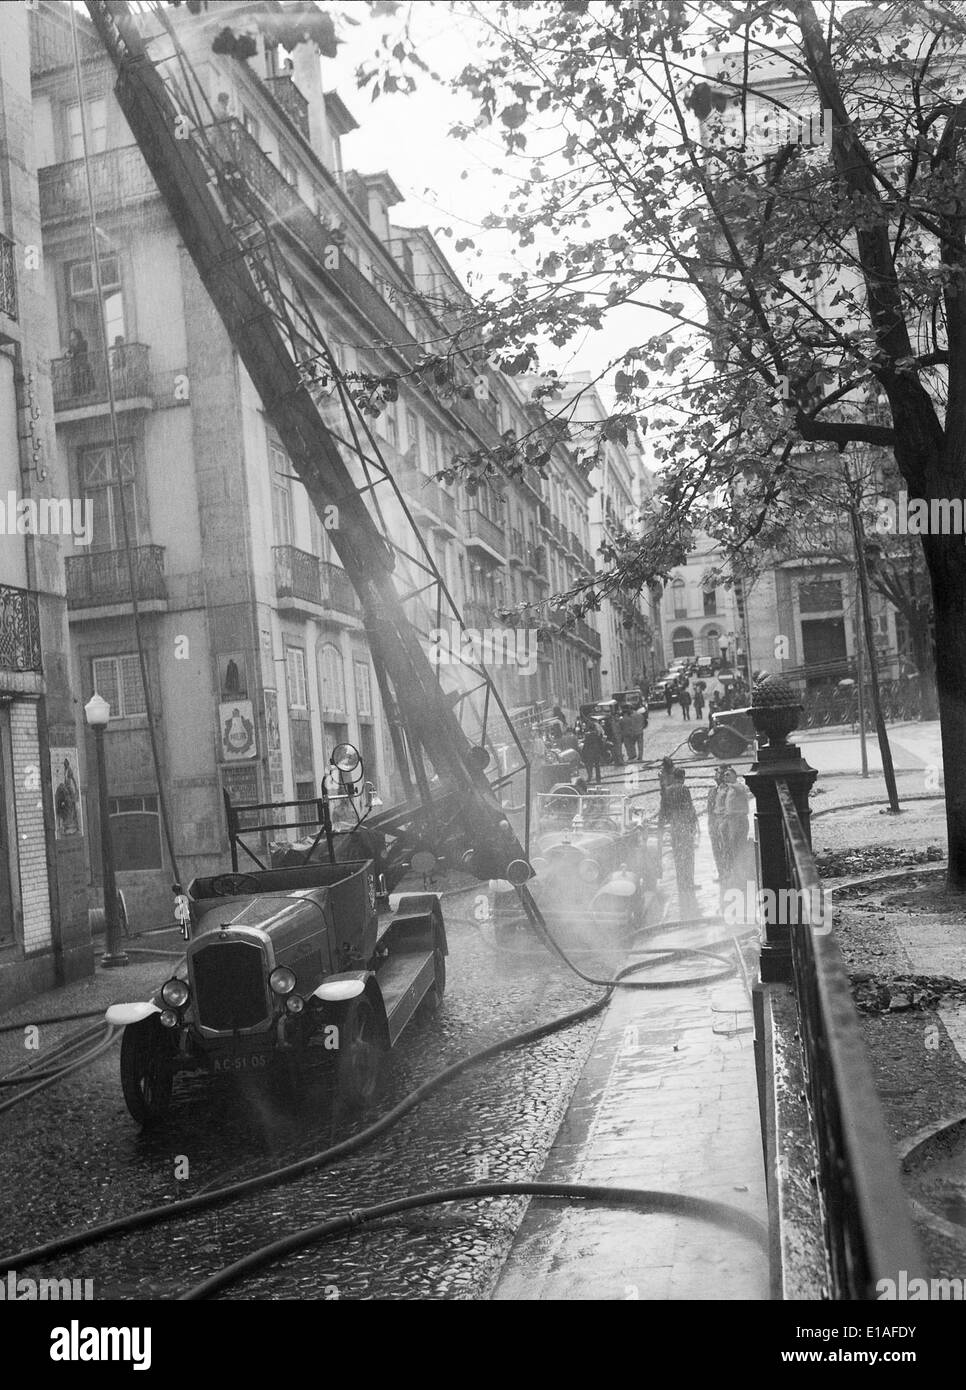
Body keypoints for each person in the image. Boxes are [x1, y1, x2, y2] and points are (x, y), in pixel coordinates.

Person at [660, 766, 699, 905]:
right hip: (684, 825)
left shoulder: (667, 790)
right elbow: (689, 806)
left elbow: (663, 811)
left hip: (674, 826)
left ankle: (681, 883)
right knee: (688, 854)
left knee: (677, 855)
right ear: (682, 777)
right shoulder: (684, 789)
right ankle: (689, 882)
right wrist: (693, 824)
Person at [717, 766, 751, 889]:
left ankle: (741, 879)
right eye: (724, 775)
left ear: (735, 776)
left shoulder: (737, 786)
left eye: (728, 775)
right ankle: (736, 877)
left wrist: (730, 784)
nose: (725, 777)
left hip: (739, 821)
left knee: (738, 849)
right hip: (732, 821)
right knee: (733, 849)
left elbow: (741, 789)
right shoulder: (730, 789)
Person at [66, 326, 94, 397]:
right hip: (75, 366)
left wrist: (72, 353)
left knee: (84, 380)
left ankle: (86, 392)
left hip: (83, 365)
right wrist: (67, 354)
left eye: (73, 338)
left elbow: (78, 350)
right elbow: (67, 354)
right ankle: (77, 394)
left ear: (77, 335)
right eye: (71, 338)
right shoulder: (71, 345)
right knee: (75, 378)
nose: (72, 340)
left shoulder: (84, 342)